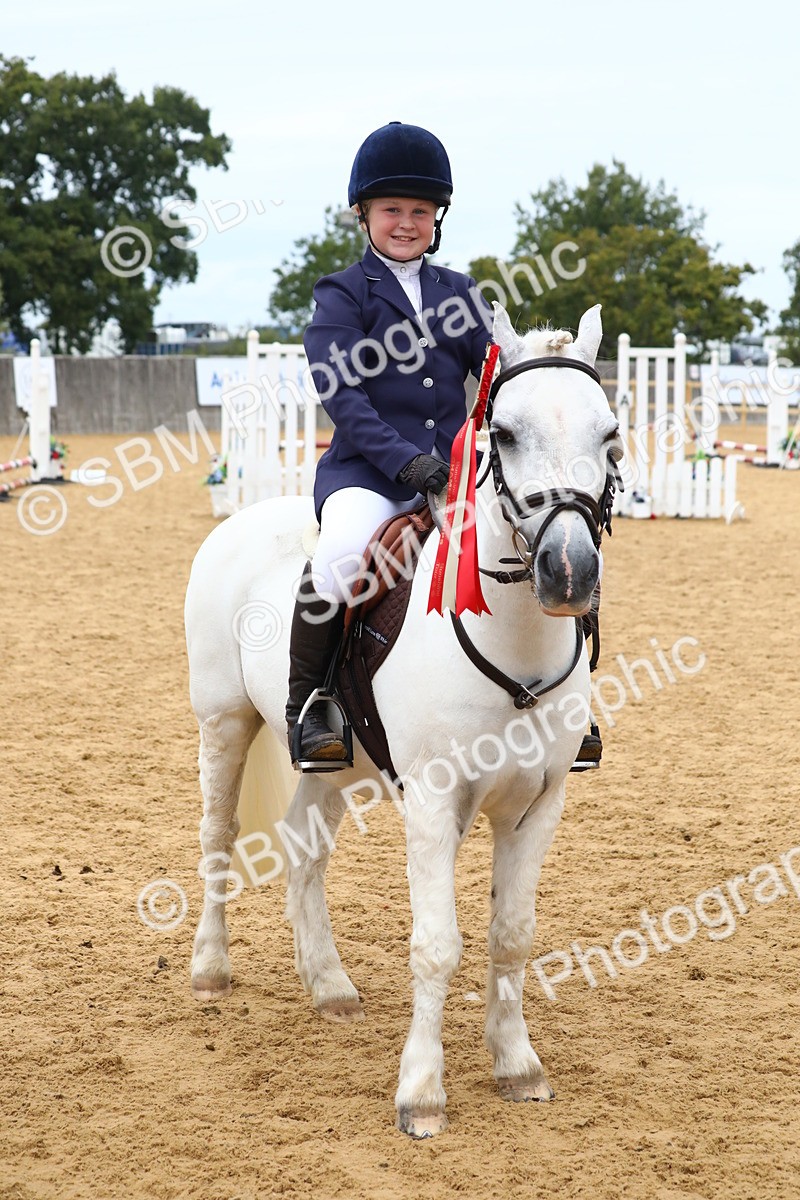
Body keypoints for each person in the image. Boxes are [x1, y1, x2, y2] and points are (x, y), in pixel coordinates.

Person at [285, 120, 492, 766]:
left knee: (537, 536)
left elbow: (490, 373)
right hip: (369, 475)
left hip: (454, 473)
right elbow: (344, 398)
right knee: (343, 555)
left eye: (420, 211)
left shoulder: (458, 293)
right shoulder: (342, 294)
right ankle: (311, 705)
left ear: (438, 217)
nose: (407, 222)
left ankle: (561, 696)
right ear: (364, 213)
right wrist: (408, 463)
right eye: (392, 209)